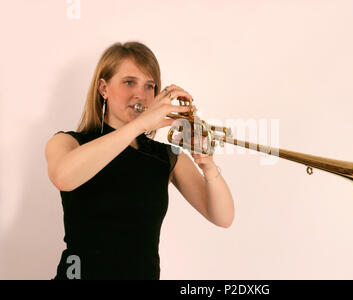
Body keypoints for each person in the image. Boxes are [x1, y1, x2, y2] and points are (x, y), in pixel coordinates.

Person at [45, 41, 234, 280]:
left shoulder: (166, 156)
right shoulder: (69, 142)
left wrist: (208, 165)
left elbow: (223, 217)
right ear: (103, 88)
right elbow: (64, 177)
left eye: (149, 86)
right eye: (129, 82)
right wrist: (141, 125)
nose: (140, 95)